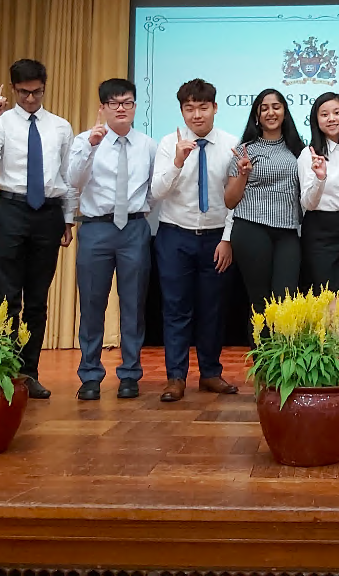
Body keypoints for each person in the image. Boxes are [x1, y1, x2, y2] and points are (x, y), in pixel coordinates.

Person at [0, 59, 77, 399]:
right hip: (13, 209)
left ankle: (29, 372)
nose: (30, 99)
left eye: (36, 92)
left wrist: (67, 217)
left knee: (37, 299)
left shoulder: (60, 127)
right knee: (7, 297)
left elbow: (67, 177)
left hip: (48, 212)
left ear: (44, 87)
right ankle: (5, 370)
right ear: (13, 89)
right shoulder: (1, 123)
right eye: (23, 93)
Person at [150, 79, 240, 403]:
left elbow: (237, 199)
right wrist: (177, 161)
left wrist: (228, 238)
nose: (197, 115)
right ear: (182, 111)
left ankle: (211, 374)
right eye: (190, 108)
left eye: (203, 107)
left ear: (215, 108)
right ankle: (175, 378)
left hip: (216, 237)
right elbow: (156, 192)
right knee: (175, 309)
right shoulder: (167, 143)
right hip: (175, 235)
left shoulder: (232, 144)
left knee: (212, 309)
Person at [67, 78, 156, 401]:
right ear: (102, 108)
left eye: (127, 102)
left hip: (133, 228)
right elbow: (72, 183)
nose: (121, 108)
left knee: (133, 304)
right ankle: (90, 374)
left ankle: (130, 374)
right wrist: (90, 147)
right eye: (114, 103)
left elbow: (153, 191)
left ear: (135, 106)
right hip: (96, 228)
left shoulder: (147, 144)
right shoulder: (85, 140)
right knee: (92, 304)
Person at [224, 88, 305, 346]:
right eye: (264, 108)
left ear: (284, 112)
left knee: (285, 300)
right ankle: (263, 375)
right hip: (251, 229)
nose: (271, 112)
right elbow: (230, 200)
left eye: (276, 106)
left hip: (288, 233)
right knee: (261, 302)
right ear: (257, 115)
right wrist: (244, 175)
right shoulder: (244, 151)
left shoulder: (300, 149)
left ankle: (282, 371)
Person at [298, 92, 339, 297]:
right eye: (324, 114)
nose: (331, 118)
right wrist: (320, 178)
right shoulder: (309, 154)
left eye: (337, 113)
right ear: (316, 120)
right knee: (324, 300)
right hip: (319, 230)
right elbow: (307, 203)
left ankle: (335, 332)